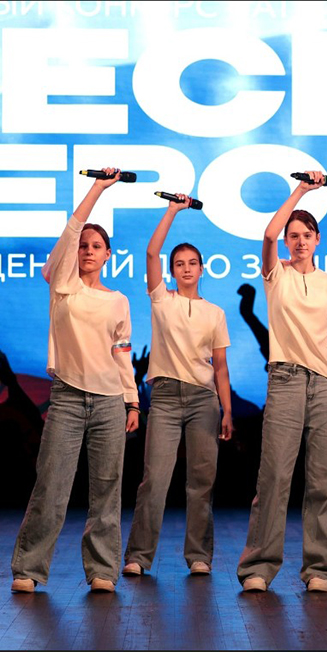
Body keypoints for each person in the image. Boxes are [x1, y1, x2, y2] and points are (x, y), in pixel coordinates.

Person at [11, 168, 140, 594]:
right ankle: (29, 568)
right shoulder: (63, 285)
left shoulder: (118, 300)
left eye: (96, 246)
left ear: (108, 255)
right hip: (67, 398)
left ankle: (103, 569)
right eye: (83, 245)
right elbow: (69, 234)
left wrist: (132, 401)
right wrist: (98, 188)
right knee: (51, 485)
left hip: (109, 402)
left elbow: (122, 355)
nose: (87, 250)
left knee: (106, 490)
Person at [237, 171, 327, 593]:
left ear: (318, 240)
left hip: (325, 382)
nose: (300, 241)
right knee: (274, 476)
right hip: (285, 378)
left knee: (324, 479)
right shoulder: (276, 275)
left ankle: (319, 569)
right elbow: (267, 235)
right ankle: (259, 567)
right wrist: (301, 190)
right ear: (286, 241)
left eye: (307, 235)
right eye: (293, 235)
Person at [122, 193, 233, 577]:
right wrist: (173, 210)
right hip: (166, 397)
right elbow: (151, 252)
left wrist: (227, 410)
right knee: (154, 479)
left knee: (201, 482)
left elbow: (220, 367)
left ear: (202, 269)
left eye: (192, 263)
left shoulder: (215, 312)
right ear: (171, 270)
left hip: (204, 399)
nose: (186, 268)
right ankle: (138, 557)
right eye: (179, 264)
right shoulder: (162, 301)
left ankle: (199, 555)